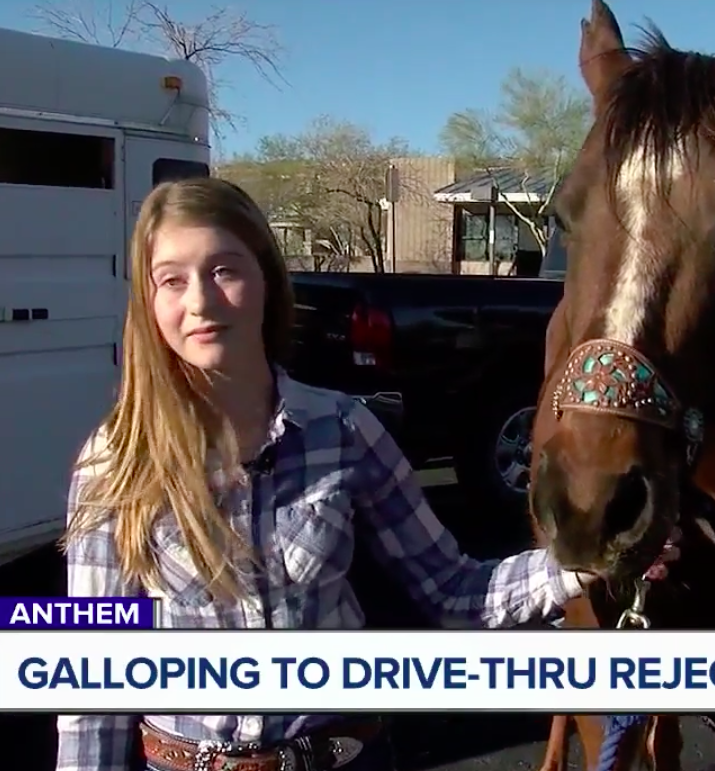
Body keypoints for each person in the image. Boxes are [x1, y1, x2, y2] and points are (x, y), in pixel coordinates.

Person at [56, 176, 681, 771]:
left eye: (224, 270)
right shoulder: (117, 462)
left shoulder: (343, 432)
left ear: (267, 281)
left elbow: (456, 592)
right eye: (172, 280)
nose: (199, 301)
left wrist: (587, 561)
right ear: (149, 299)